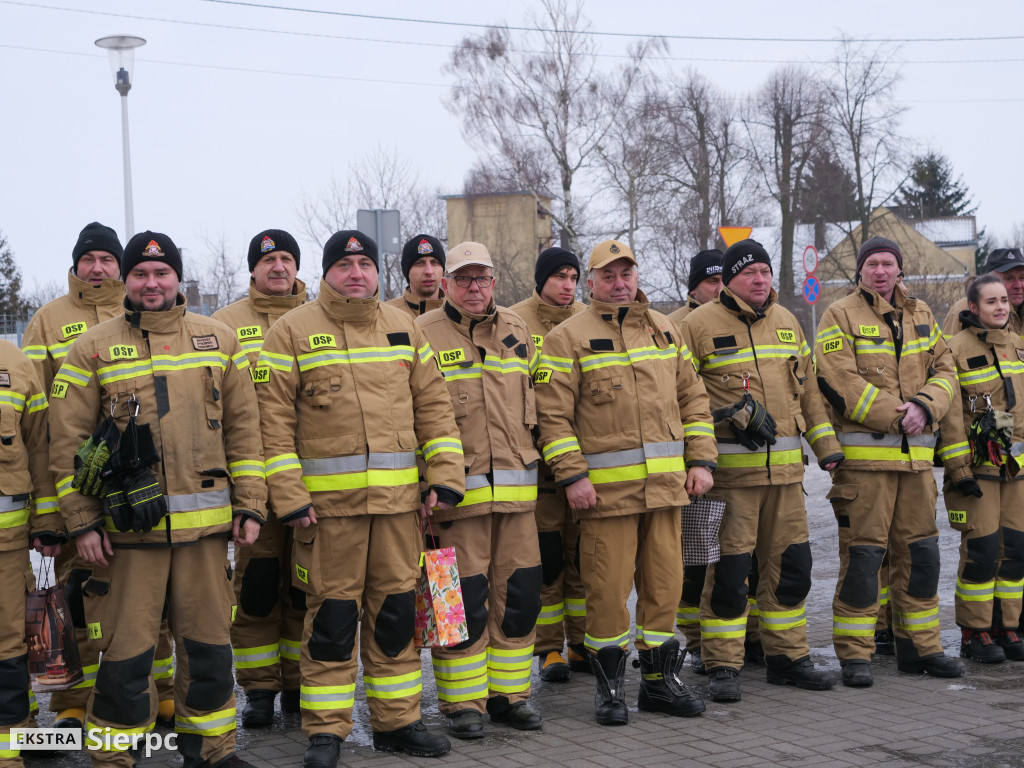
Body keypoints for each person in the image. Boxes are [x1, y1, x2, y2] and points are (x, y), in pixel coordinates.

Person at [49, 231, 267, 768]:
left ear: (177, 279)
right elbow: (67, 443)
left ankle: (213, 752)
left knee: (210, 654)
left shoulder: (219, 340)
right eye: (141, 274)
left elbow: (244, 431)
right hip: (125, 539)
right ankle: (114, 757)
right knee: (124, 659)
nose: (152, 283)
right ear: (128, 280)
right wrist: (82, 523)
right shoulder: (91, 347)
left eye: (162, 273)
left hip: (206, 535)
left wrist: (251, 504)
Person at [256, 230, 463, 768]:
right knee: (331, 621)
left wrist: (442, 478)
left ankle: (398, 723)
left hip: (398, 511)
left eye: (365, 263)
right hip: (329, 517)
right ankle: (325, 732)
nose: (356, 272)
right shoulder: (290, 331)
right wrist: (290, 497)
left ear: (377, 272)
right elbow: (271, 425)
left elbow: (435, 408)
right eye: (344, 263)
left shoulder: (405, 329)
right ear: (325, 272)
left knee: (396, 616)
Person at [534, 239, 715, 725]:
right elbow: (552, 418)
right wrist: (572, 476)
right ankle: (610, 691)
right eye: (608, 276)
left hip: (665, 495)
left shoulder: (665, 330)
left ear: (637, 277)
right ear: (590, 282)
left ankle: (658, 685)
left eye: (626, 274)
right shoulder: (567, 337)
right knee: (606, 595)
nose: (619, 284)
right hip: (604, 500)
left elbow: (693, 400)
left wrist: (701, 461)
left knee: (664, 589)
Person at [21, 223, 175, 730]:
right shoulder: (47, 321)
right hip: (72, 486)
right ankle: (70, 704)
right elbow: (41, 417)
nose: (98, 268)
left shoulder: (143, 310)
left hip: (137, 489)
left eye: (107, 259)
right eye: (89, 260)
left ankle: (162, 692)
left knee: (148, 599)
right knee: (67, 602)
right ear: (76, 266)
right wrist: (55, 502)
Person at [679, 239, 843, 702]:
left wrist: (826, 447)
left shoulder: (788, 321)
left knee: (792, 569)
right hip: (730, 482)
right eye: (749, 272)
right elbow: (682, 397)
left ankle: (788, 658)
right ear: (729, 279)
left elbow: (808, 391)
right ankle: (724, 665)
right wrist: (727, 412)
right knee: (729, 575)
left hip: (788, 480)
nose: (760, 280)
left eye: (766, 272)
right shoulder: (697, 325)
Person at [815, 236, 963, 687]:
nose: (881, 271)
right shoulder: (838, 315)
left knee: (920, 560)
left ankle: (921, 649)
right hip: (866, 470)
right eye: (872, 264)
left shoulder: (921, 314)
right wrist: (900, 417)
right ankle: (856, 655)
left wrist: (925, 405)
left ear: (900, 270)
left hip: (917, 470)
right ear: (860, 271)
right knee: (863, 561)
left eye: (888, 264)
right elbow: (836, 377)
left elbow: (946, 369)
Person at [416, 242, 544, 738]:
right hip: (453, 501)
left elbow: (536, 404)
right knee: (457, 602)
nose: (474, 287)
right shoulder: (421, 333)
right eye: (463, 278)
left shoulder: (518, 328)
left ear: (495, 281)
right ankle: (461, 704)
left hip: (517, 496)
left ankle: (510, 696)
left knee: (518, 596)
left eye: (482, 278)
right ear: (445, 283)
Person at [212, 229, 307, 727]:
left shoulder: (316, 318)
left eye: (286, 258)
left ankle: (296, 682)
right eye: (268, 259)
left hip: (311, 483)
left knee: (304, 587)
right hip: (254, 483)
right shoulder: (225, 324)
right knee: (258, 586)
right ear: (252, 269)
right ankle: (259, 688)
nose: (277, 267)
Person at [936, 274, 1024, 663]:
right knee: (982, 551)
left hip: (1018, 470)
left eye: (1004, 300)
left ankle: (1008, 626)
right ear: (973, 308)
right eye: (991, 302)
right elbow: (951, 419)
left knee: (1016, 552)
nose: (1001, 307)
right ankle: (974, 632)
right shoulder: (953, 350)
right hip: (978, 471)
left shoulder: (1020, 346)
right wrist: (960, 471)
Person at [510, 247, 587, 683]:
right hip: (539, 469)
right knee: (550, 559)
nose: (568, 285)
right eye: (559, 276)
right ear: (541, 280)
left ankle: (581, 643)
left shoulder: (587, 319)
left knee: (582, 557)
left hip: (583, 465)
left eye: (574, 277)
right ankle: (548, 648)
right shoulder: (516, 322)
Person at [0, 340, 62, 766]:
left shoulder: (15, 362)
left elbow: (40, 450)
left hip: (7, 544)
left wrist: (46, 523)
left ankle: (12, 746)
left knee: (7, 646)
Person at [668, 248, 726, 672]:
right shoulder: (673, 327)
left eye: (725, 279)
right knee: (695, 560)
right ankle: (694, 640)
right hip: (694, 465)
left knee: (739, 561)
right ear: (693, 286)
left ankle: (750, 640)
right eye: (711, 281)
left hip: (738, 463)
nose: (719, 288)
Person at [942, 248, 1024, 337]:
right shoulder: (963, 310)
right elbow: (949, 348)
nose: (1018, 285)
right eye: (1009, 278)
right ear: (989, 279)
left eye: (1022, 278)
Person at [385, 234, 446, 318]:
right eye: (420, 263)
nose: (429, 271)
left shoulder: (458, 313)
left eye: (434, 262)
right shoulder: (387, 314)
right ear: (407, 271)